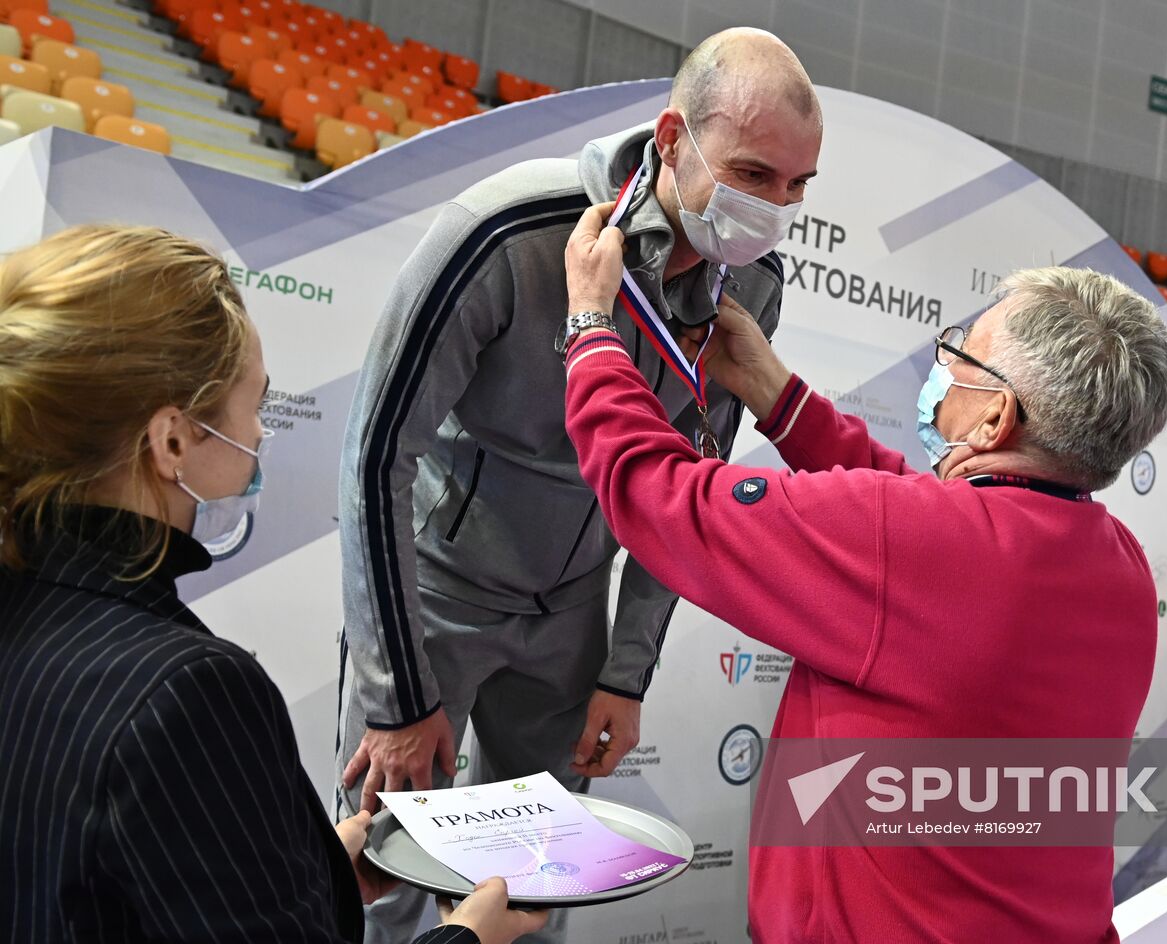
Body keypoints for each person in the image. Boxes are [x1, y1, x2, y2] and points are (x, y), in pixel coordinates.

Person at [560, 204, 1167, 942]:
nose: (943, 367)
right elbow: (917, 532)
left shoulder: (918, 547)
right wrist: (773, 390)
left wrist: (592, 332)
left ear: (994, 420)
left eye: (962, 358)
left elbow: (659, 495)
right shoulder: (1120, 567)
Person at [335, 27, 822, 942]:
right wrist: (398, 690)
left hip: (569, 614)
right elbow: (375, 454)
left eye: (798, 188)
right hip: (436, 596)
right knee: (389, 879)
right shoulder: (511, 228)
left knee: (537, 895)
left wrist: (625, 672)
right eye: (755, 175)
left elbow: (687, 496)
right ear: (673, 138)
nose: (776, 209)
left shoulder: (750, 288)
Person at [0, 224, 546, 944]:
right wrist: (468, 936)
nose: (259, 434)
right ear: (171, 441)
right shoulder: (190, 691)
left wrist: (308, 878)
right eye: (253, 405)